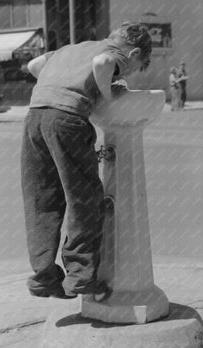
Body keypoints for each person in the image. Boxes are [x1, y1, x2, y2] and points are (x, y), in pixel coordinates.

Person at [20, 22, 152, 300]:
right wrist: (108, 93)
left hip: (35, 116)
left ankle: (44, 277)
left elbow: (34, 65)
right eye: (135, 67)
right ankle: (80, 276)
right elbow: (103, 63)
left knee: (42, 198)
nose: (127, 73)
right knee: (85, 197)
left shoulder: (70, 49)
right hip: (67, 120)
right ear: (134, 52)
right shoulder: (111, 52)